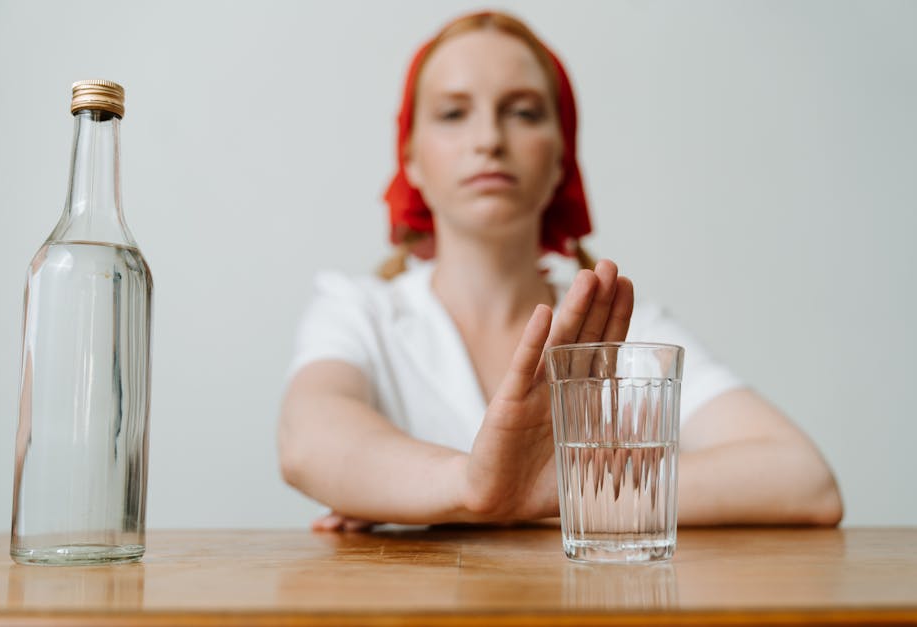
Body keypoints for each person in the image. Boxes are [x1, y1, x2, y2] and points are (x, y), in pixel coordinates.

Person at [278, 11, 843, 531]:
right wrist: (476, 488)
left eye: (523, 112)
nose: (489, 140)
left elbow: (803, 478)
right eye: (453, 113)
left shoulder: (627, 327)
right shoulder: (359, 310)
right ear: (412, 160)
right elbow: (309, 438)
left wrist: (546, 494)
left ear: (560, 160)